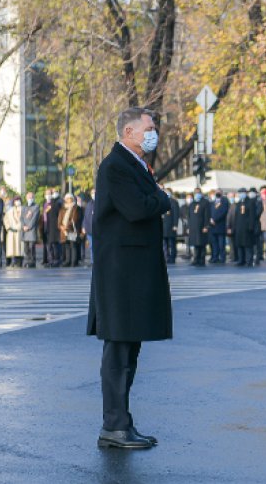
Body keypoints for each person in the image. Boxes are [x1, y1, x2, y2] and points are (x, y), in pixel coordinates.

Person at [87, 106, 171, 449]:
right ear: (129, 133)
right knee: (119, 351)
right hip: (121, 273)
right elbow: (137, 208)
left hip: (132, 271)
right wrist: (162, 198)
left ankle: (122, 423)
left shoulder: (134, 164)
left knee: (129, 349)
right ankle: (114, 426)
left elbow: (140, 203)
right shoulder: (116, 166)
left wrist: (155, 197)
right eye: (149, 127)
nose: (154, 133)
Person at [232, 187, 261, 266]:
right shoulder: (238, 203)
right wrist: (234, 227)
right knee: (240, 244)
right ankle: (241, 260)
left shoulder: (250, 202)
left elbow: (252, 215)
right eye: (240, 193)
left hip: (247, 227)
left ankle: (249, 260)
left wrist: (251, 226)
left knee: (248, 245)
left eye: (243, 192)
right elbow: (236, 216)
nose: (241, 194)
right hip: (239, 227)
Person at [186, 188, 209, 267]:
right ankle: (196, 259)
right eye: (195, 193)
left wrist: (206, 226)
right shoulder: (192, 203)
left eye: (198, 192)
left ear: (201, 193)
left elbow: (207, 215)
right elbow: (189, 216)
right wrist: (188, 227)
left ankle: (202, 260)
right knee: (195, 244)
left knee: (201, 244)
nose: (197, 194)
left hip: (201, 227)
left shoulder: (205, 202)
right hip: (193, 227)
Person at [58, 193, 81, 267]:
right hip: (64, 231)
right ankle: (67, 261)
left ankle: (73, 262)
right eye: (67, 198)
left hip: (71, 230)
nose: (68, 200)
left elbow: (75, 219)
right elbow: (59, 220)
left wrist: (67, 226)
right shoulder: (62, 209)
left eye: (70, 198)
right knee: (67, 246)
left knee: (73, 245)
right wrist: (61, 226)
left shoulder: (76, 208)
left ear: (72, 199)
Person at [208, 190, 229, 264]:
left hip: (220, 225)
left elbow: (223, 212)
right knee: (214, 244)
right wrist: (210, 219)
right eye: (216, 192)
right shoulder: (212, 202)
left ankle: (222, 258)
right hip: (212, 226)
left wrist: (215, 220)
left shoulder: (224, 201)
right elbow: (209, 212)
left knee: (221, 244)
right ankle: (215, 257)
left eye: (219, 192)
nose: (217, 193)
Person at [21, 192, 40, 268]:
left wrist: (29, 226)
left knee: (31, 247)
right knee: (26, 248)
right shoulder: (24, 207)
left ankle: (32, 261)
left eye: (31, 197)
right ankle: (27, 260)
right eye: (29, 197)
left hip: (31, 230)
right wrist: (23, 226)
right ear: (26, 198)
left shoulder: (36, 206)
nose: (30, 199)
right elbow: (21, 218)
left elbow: (34, 218)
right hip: (24, 230)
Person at [162, 188, 180, 264]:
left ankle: (172, 257)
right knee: (164, 243)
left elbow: (176, 214)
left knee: (172, 243)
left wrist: (175, 225)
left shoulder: (174, 202)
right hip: (163, 226)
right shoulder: (162, 201)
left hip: (171, 226)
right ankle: (166, 257)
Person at [4, 197, 23, 267]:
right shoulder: (10, 210)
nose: (17, 202)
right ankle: (13, 261)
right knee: (12, 247)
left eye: (19, 200)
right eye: (16, 201)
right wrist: (8, 227)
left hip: (20, 231)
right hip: (11, 231)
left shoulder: (23, 209)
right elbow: (5, 220)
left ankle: (19, 262)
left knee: (19, 247)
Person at [84, 189, 96, 265]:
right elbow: (85, 217)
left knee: (96, 246)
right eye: (92, 193)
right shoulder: (89, 204)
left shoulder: (100, 203)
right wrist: (83, 227)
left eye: (94, 193)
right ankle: (93, 261)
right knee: (91, 246)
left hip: (97, 229)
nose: (93, 194)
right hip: (89, 229)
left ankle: (96, 260)